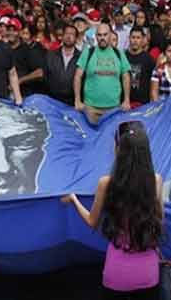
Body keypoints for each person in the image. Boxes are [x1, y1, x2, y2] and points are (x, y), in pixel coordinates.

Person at [61, 121, 163, 299]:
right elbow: (160, 220)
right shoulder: (156, 181)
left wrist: (74, 199)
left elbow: (92, 222)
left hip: (117, 274)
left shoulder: (106, 183)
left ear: (118, 150)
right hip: (148, 273)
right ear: (146, 150)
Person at [74, 22, 132, 125]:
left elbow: (126, 77)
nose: (102, 38)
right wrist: (77, 100)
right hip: (90, 109)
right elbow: (77, 76)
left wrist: (127, 100)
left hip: (114, 109)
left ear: (110, 35)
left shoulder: (119, 53)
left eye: (105, 34)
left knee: (110, 139)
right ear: (95, 36)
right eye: (99, 35)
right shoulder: (88, 52)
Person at [44, 23, 81, 106]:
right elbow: (45, 76)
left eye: (72, 34)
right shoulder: (51, 55)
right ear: (62, 36)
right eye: (66, 34)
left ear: (76, 38)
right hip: (52, 100)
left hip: (72, 102)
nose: (69, 37)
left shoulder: (81, 57)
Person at [125, 27, 155, 108]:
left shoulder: (149, 59)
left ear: (143, 39)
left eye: (138, 38)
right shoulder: (123, 57)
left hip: (143, 104)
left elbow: (153, 82)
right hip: (125, 103)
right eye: (133, 37)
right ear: (129, 38)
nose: (135, 40)